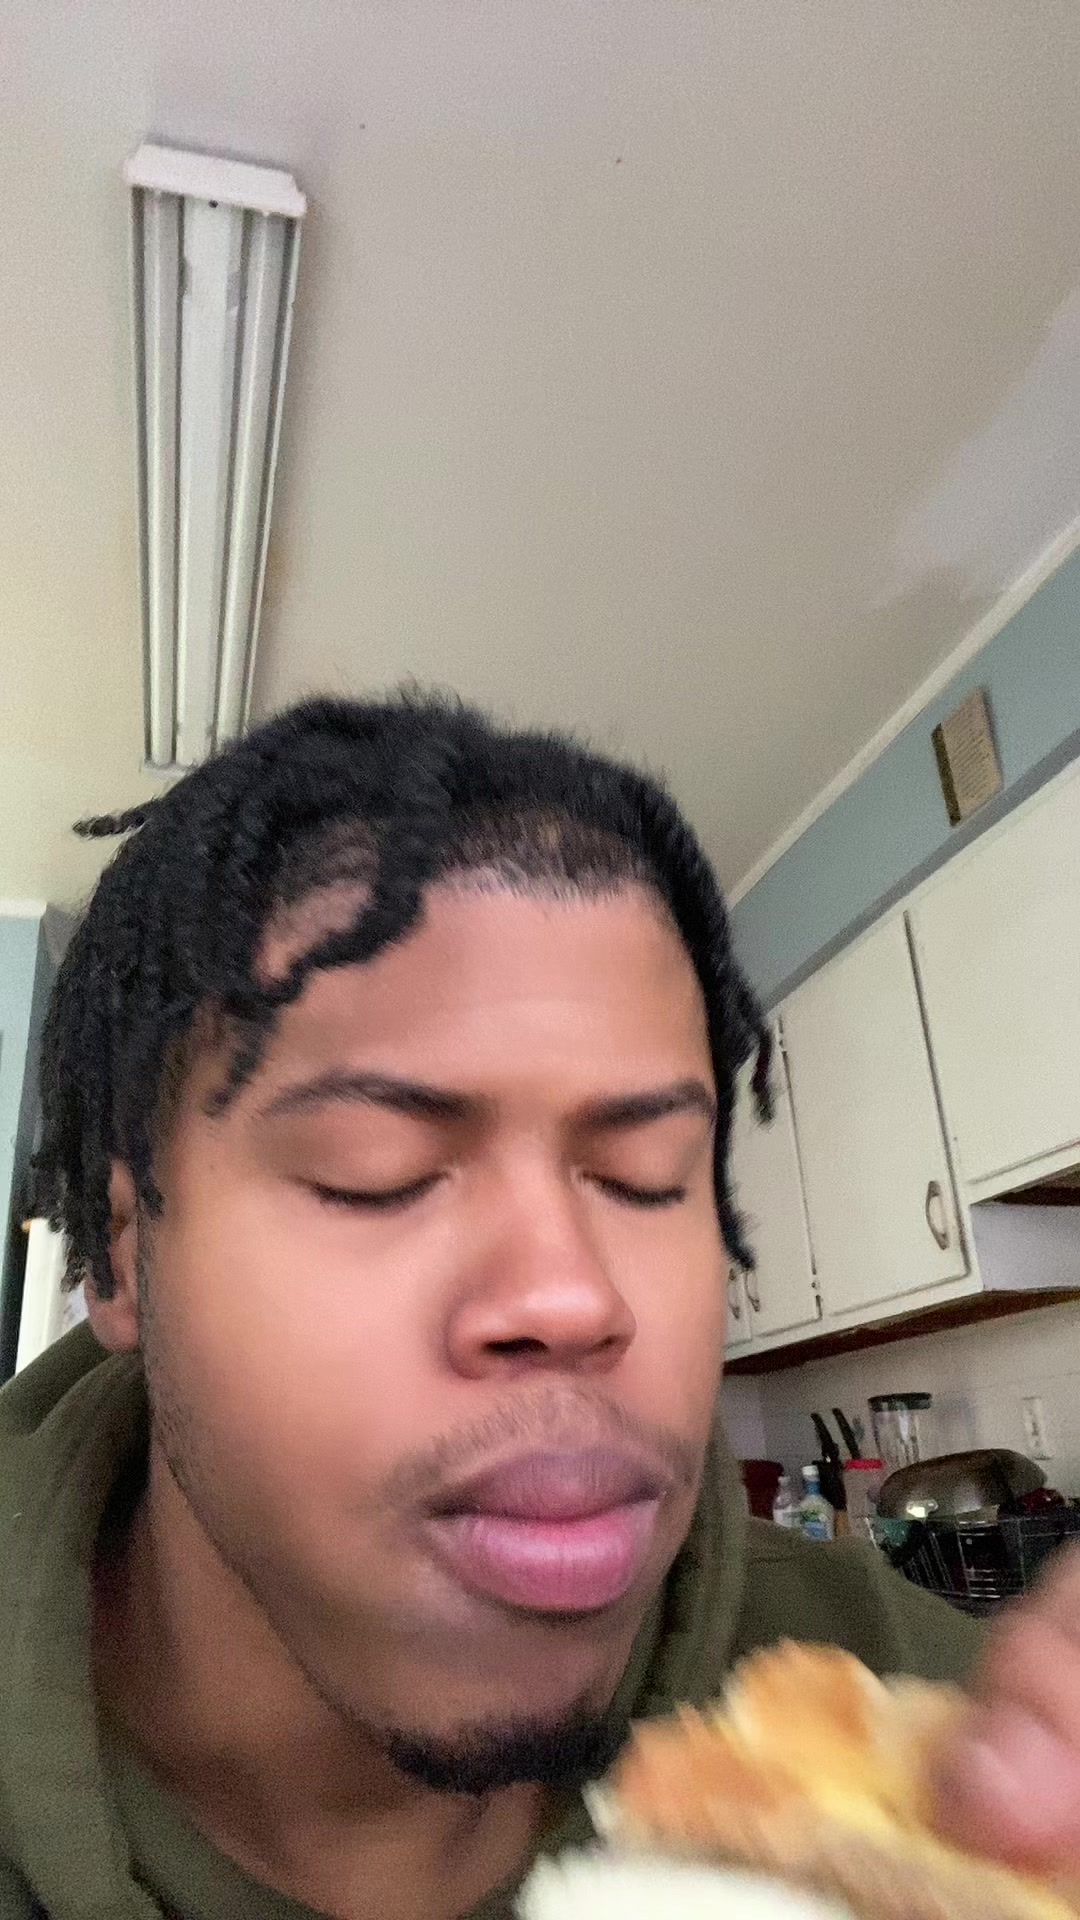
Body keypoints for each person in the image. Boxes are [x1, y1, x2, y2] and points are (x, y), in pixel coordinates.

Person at [0, 695, 1077, 1920]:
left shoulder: (932, 1731)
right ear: (126, 1258)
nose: (575, 1297)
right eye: (376, 1172)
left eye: (647, 1178)